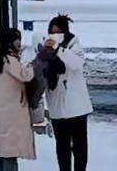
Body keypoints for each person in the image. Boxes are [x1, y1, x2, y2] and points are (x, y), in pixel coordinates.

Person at [44, 14, 93, 171]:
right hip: (57, 107)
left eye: (58, 32)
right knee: (62, 147)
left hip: (76, 106)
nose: (54, 35)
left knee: (80, 147)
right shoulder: (45, 47)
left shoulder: (74, 45)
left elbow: (76, 64)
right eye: (52, 32)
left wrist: (59, 50)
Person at [0, 28, 36, 171]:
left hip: (1, 112)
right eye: (17, 39)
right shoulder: (9, 60)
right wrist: (33, 66)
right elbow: (25, 76)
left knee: (1, 152)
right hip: (11, 114)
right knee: (10, 153)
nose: (19, 43)